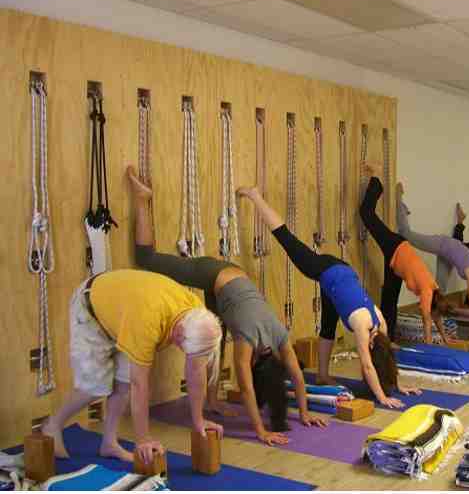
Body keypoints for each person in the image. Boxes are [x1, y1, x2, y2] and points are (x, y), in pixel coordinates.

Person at [127, 167, 325, 446]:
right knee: (146, 259)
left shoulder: (280, 335)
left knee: (215, 342)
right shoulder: (246, 340)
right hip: (213, 274)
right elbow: (246, 388)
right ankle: (142, 198)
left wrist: (304, 412)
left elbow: (296, 376)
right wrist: (261, 431)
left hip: (233, 281)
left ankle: (211, 400)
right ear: (256, 364)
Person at [237, 185, 420, 409]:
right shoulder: (364, 327)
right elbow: (368, 365)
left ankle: (322, 375)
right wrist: (382, 398)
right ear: (372, 344)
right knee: (286, 239)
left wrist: (399, 385)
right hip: (326, 270)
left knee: (328, 326)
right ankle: (255, 195)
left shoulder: (381, 323)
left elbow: (387, 358)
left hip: (341, 277)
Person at [42, 268, 223, 465]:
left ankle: (109, 443)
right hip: (91, 309)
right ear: (178, 335)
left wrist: (198, 420)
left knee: (123, 383)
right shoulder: (147, 325)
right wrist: (142, 439)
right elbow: (140, 384)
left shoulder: (200, 317)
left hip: (127, 312)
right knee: (94, 388)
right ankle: (52, 425)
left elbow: (196, 371)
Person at [360, 165, 461, 346]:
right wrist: (429, 347)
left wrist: (445, 338)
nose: (435, 317)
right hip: (396, 247)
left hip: (397, 264)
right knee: (366, 214)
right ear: (434, 306)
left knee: (389, 300)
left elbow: (434, 318)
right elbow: (427, 320)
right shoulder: (428, 292)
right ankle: (376, 184)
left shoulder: (434, 291)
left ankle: (388, 340)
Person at [396, 181, 469, 334]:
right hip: (443, 244)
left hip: (448, 257)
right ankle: (399, 199)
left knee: (439, 290)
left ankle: (433, 320)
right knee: (407, 235)